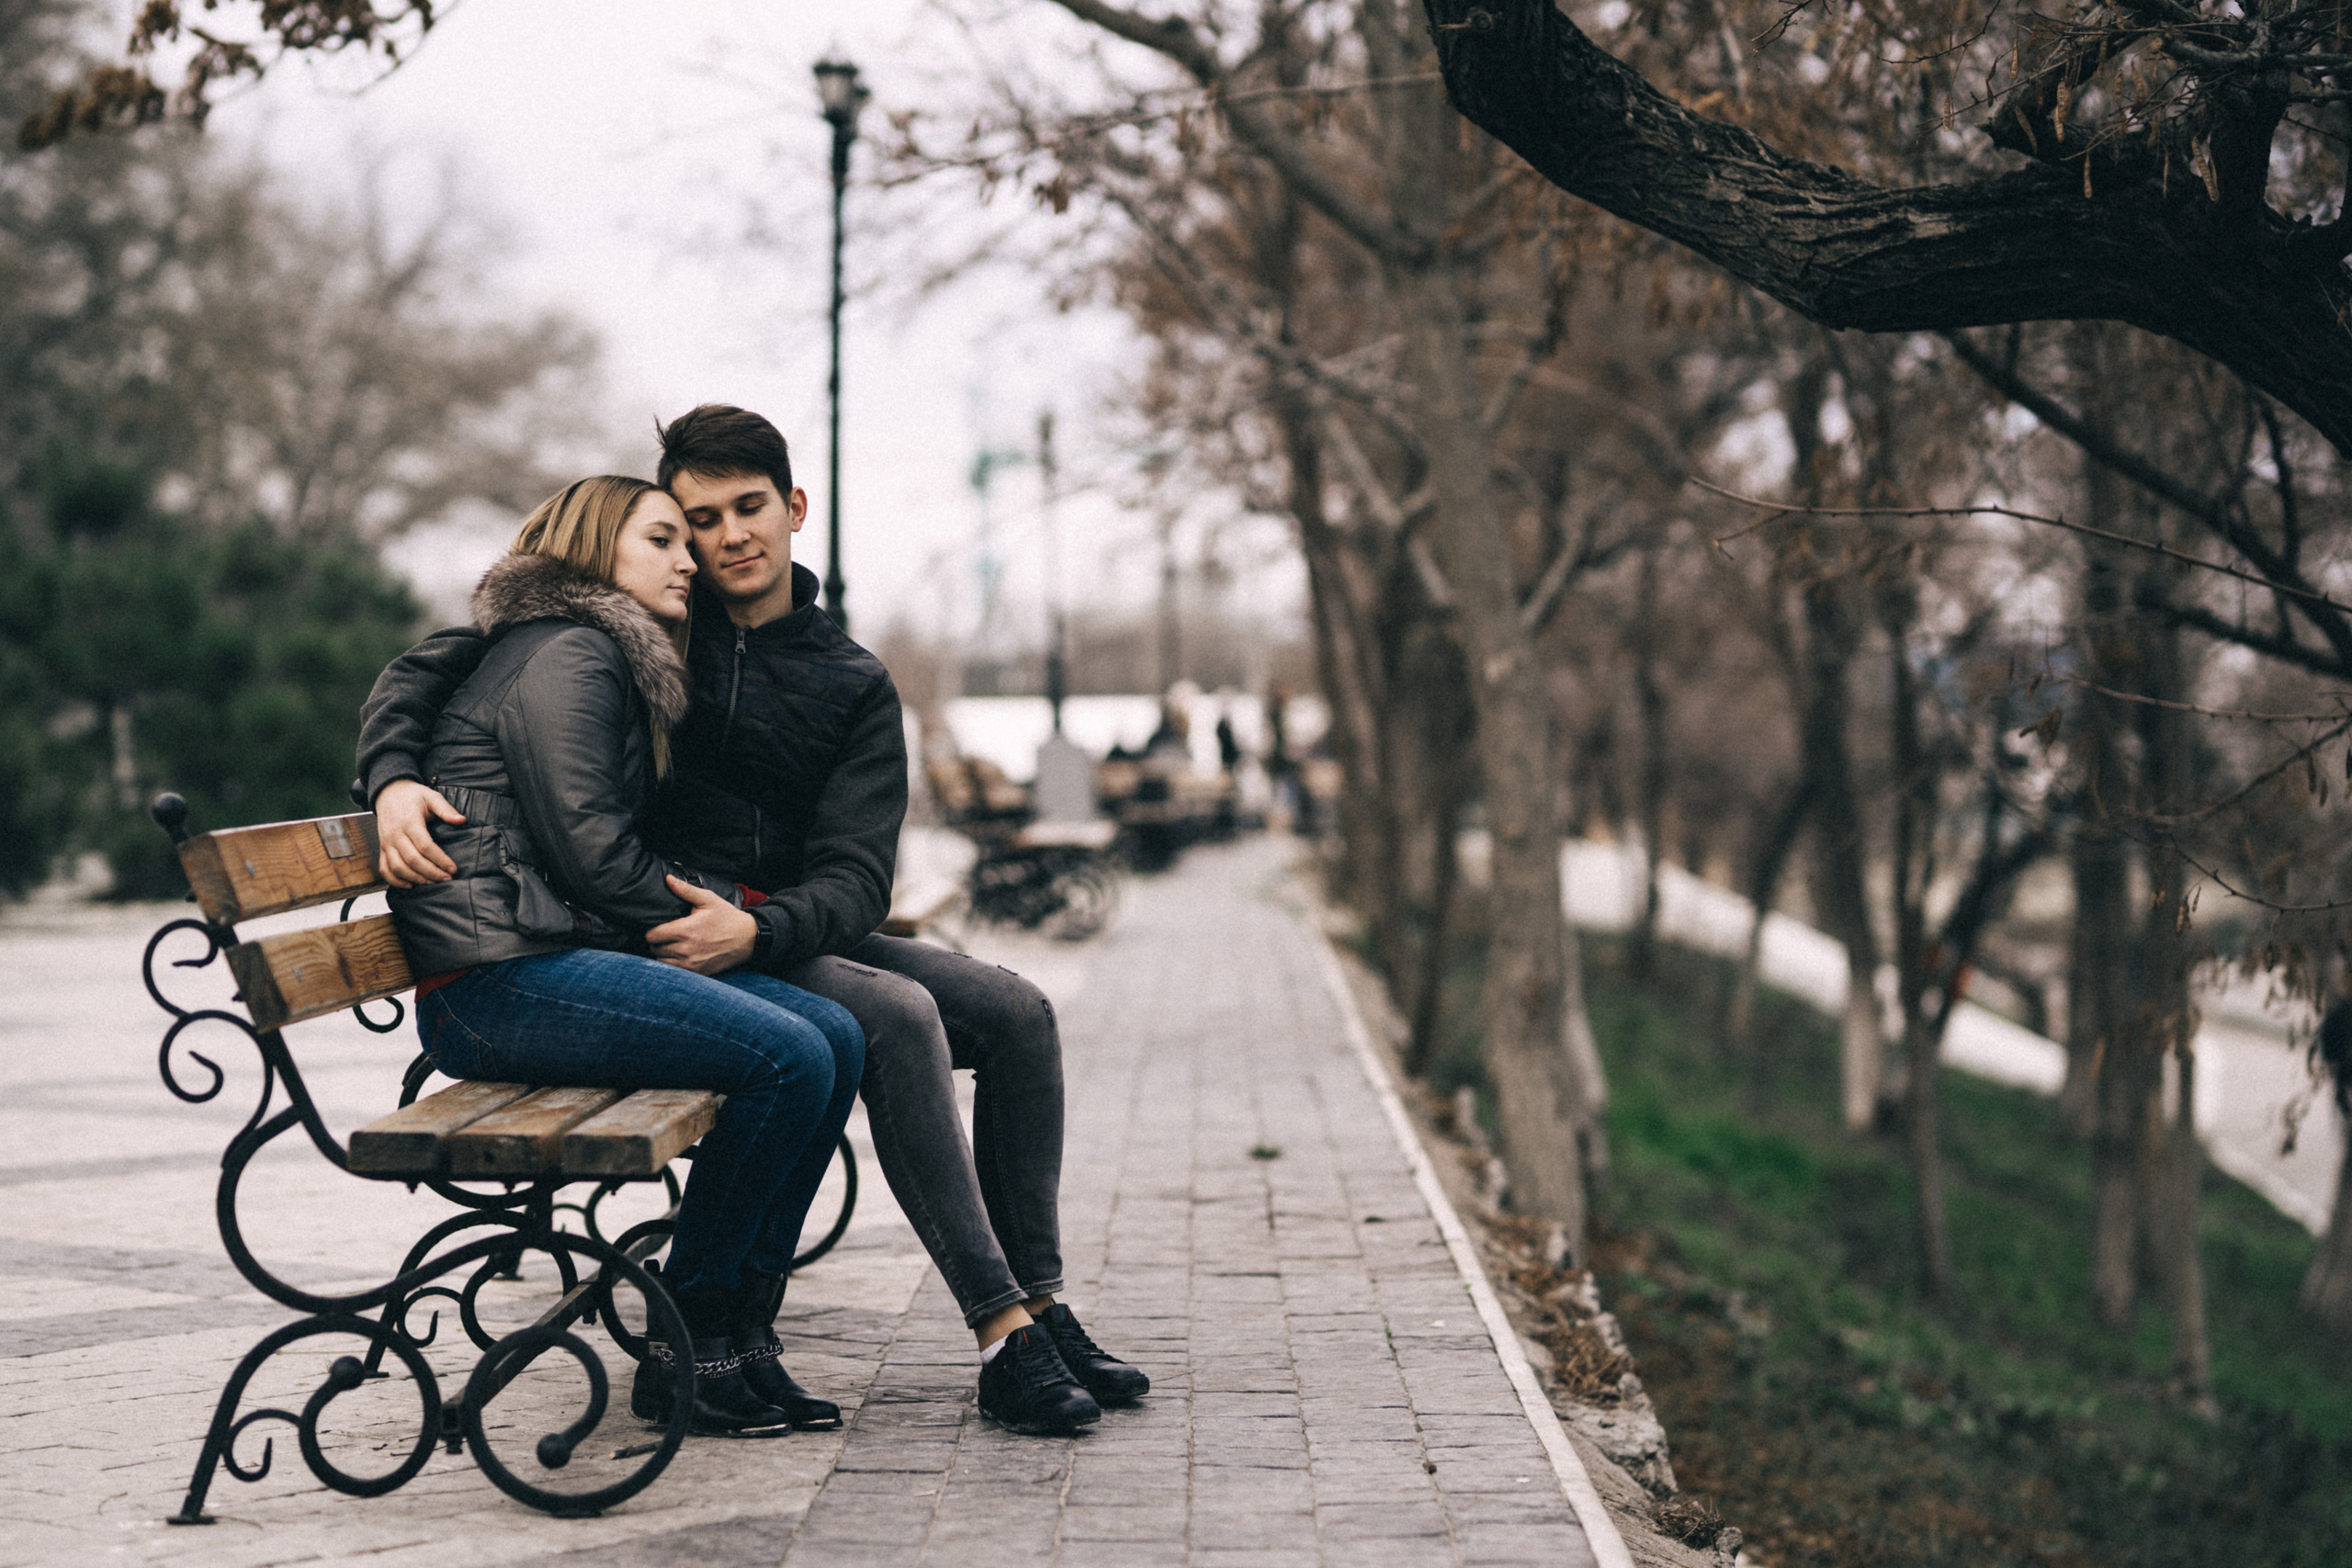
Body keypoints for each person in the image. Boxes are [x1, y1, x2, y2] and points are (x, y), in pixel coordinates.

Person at [356, 408, 1145, 1437]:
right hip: (645, 928)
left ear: (792, 510)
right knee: (887, 1019)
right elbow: (440, 668)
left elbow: (858, 880)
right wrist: (390, 778)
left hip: (759, 925)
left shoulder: (848, 680)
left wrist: (762, 934)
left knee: (1015, 1010)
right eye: (687, 524)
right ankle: (998, 1331)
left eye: (743, 512)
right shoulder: (637, 630)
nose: (715, 543)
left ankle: (1037, 1304)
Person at [384, 475, 865, 1438]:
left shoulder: (589, 648)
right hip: (492, 983)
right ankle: (686, 1343)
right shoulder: (573, 650)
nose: (689, 558)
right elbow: (590, 848)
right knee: (791, 1053)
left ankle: (740, 1330)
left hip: (529, 959)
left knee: (836, 1036)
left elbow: (584, 850)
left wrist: (735, 915)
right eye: (662, 540)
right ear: (597, 550)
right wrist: (715, 920)